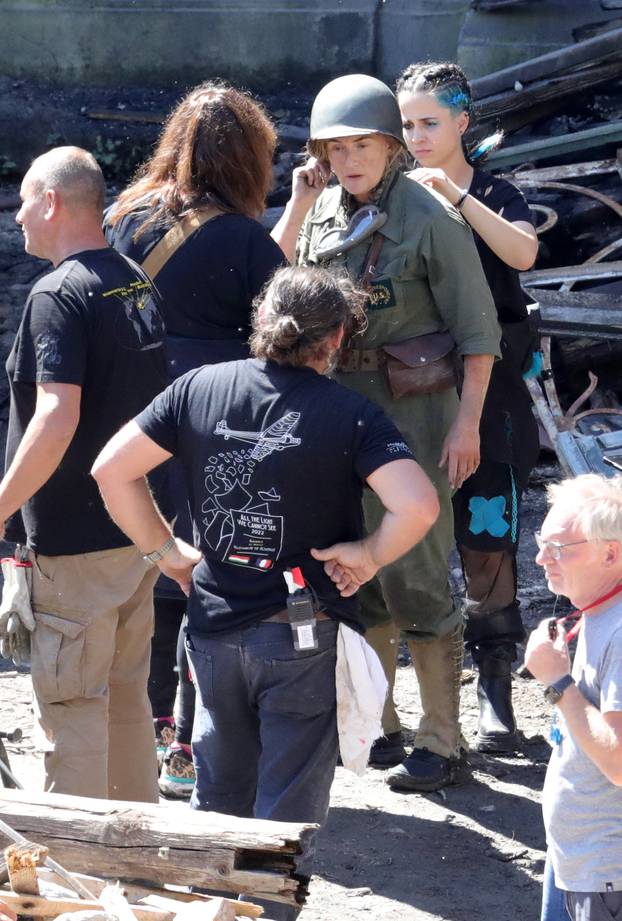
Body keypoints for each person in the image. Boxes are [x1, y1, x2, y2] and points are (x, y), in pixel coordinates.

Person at [92, 264, 440, 919]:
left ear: (261, 322)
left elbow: (112, 470)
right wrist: (366, 555)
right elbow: (417, 506)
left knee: (218, 795)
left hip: (214, 626)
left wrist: (166, 552)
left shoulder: (197, 387)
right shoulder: (352, 413)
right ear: (336, 338)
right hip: (301, 631)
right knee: (286, 809)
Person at [272, 74, 501, 791]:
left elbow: (478, 330)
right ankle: (383, 722)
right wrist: (299, 200)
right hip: (340, 404)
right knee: (354, 570)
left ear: (391, 144)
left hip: (415, 411)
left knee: (417, 568)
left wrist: (466, 423)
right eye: (336, 149)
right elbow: (282, 286)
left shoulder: (428, 214)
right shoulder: (323, 212)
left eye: (362, 145)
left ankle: (443, 738)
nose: (348, 160)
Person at [105, 82, 286, 796]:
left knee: (146, 560)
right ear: (248, 158)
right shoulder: (245, 239)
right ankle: (187, 744)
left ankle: (142, 729)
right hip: (221, 416)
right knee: (203, 569)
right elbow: (279, 338)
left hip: (132, 407)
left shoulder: (127, 218)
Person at [0, 146, 168, 801]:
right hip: (134, 530)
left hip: (73, 548)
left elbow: (56, 417)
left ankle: (80, 886)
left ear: (51, 202)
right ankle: (138, 863)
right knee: (125, 698)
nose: (16, 218)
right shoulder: (132, 279)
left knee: (72, 712)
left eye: (22, 202)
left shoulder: (58, 293)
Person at [396, 61, 540, 753]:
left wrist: (457, 195)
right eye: (407, 124)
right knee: (414, 546)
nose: (417, 136)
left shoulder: (493, 189)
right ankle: (423, 708)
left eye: (430, 122)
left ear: (462, 121)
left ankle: (496, 695)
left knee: (489, 545)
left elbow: (525, 251)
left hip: (495, 393)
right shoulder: (391, 192)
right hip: (411, 390)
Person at [525, 474, 622, 921]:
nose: (541, 558)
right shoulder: (597, 610)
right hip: (579, 860)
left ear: (611, 552)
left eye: (560, 548)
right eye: (542, 541)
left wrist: (558, 683)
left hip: (608, 873)